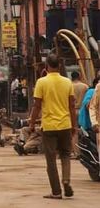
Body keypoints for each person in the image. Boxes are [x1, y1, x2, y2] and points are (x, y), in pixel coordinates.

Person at [28, 53, 76, 200]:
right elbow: (72, 106)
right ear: (59, 66)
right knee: (66, 154)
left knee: (51, 159)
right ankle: (66, 180)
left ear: (47, 66)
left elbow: (37, 106)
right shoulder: (67, 82)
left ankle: (56, 191)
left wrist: (31, 123)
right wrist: (74, 125)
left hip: (49, 126)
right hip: (65, 124)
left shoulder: (41, 82)